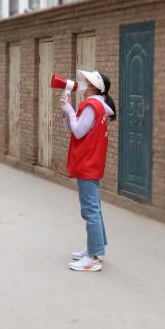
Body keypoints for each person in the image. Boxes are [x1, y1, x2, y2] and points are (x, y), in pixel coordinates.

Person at [60, 70, 116, 272]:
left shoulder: (92, 106)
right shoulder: (98, 106)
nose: (82, 84)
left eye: (86, 81)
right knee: (94, 209)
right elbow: (72, 127)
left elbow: (77, 131)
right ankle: (95, 248)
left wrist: (69, 109)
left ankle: (93, 257)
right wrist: (67, 110)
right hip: (92, 162)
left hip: (87, 163)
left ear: (93, 86)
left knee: (90, 210)